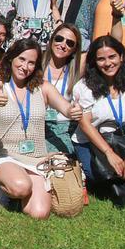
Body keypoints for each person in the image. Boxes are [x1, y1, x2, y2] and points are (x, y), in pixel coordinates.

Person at [0, 38, 82, 219]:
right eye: (21, 59)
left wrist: (72, 110)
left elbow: (65, 107)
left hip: (35, 158)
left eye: (31, 62)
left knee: (40, 213)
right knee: (21, 186)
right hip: (3, 154)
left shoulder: (43, 88)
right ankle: (5, 187)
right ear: (11, 58)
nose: (25, 66)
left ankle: (20, 188)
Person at [71, 36, 125, 207]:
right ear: (94, 61)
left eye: (112, 57)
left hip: (122, 138)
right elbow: (85, 124)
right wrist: (109, 153)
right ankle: (113, 182)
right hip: (92, 139)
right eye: (101, 59)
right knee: (96, 174)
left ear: (121, 57)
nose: (107, 63)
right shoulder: (84, 87)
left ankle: (119, 181)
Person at [42, 23, 82, 154]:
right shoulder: (35, 66)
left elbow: (111, 46)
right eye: (59, 39)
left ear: (74, 50)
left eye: (70, 43)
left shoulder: (76, 72)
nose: (63, 45)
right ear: (52, 39)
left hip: (64, 127)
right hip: (38, 125)